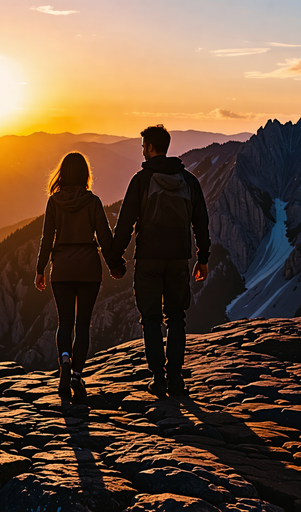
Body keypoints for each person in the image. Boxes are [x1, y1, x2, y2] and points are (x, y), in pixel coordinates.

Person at [109, 124, 210, 396]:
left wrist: (115, 259)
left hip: (148, 259)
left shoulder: (141, 181)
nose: (142, 151)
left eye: (143, 147)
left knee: (151, 318)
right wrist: (203, 258)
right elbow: (201, 222)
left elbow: (126, 223)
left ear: (151, 148)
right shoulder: (189, 181)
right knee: (177, 317)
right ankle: (176, 376)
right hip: (178, 259)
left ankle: (158, 378)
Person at [35, 152, 125, 399]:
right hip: (88, 269)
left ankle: (64, 359)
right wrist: (114, 265)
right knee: (83, 324)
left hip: (61, 269)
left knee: (64, 322)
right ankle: (76, 376)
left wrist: (40, 269)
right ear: (85, 174)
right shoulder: (93, 201)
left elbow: (47, 238)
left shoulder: (54, 202)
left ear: (62, 174)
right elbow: (104, 236)